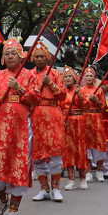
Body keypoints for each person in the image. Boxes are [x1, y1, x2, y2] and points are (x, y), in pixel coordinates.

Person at [0, 39, 39, 215]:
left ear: (20, 55)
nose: (9, 56)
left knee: (18, 165)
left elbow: (35, 98)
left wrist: (19, 88)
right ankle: (3, 202)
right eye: (6, 53)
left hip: (21, 128)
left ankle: (14, 209)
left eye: (13, 53)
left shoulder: (29, 75)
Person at [28, 44, 66, 202]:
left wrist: (50, 83)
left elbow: (63, 95)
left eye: (41, 56)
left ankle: (56, 188)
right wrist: (35, 90)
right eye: (36, 56)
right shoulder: (29, 75)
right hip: (36, 115)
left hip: (53, 114)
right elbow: (27, 95)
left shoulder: (56, 73)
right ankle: (44, 189)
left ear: (47, 57)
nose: (39, 59)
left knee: (55, 153)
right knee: (37, 155)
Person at [60, 67, 88, 190]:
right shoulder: (62, 92)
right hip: (66, 122)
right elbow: (59, 108)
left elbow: (86, 105)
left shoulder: (80, 90)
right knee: (69, 150)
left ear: (74, 78)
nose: (67, 78)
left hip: (79, 122)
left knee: (80, 149)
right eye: (65, 77)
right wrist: (62, 119)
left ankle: (82, 178)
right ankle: (71, 179)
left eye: (69, 76)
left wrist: (80, 95)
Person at [78, 67, 106, 181]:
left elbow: (104, 107)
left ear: (94, 78)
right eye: (87, 76)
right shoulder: (81, 90)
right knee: (86, 145)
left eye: (91, 76)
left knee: (99, 144)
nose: (89, 77)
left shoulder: (99, 90)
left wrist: (96, 100)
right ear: (84, 77)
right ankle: (88, 170)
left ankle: (99, 170)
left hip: (96, 118)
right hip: (85, 119)